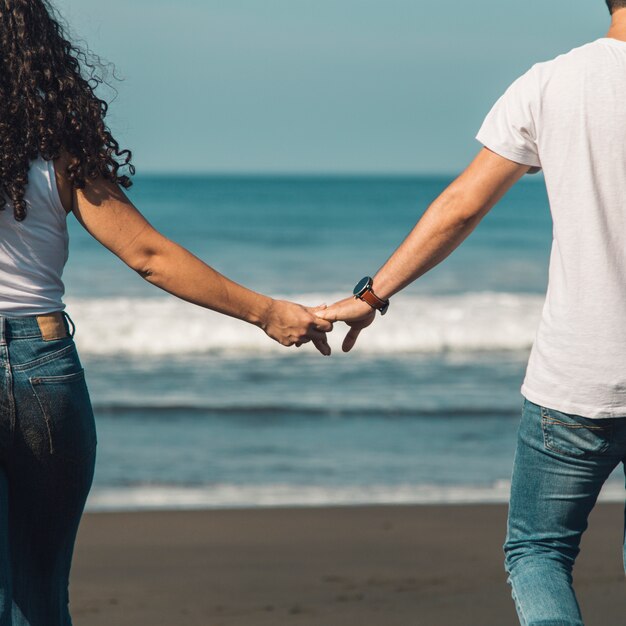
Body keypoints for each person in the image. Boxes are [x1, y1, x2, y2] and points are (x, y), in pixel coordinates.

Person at [0, 1, 332, 624]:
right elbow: (149, 255)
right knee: (39, 591)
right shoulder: (58, 150)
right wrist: (267, 313)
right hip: (40, 367)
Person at [319, 2, 626, 624]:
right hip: (575, 379)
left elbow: (461, 205)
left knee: (539, 552)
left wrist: (371, 296)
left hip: (578, 375)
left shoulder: (551, 82)